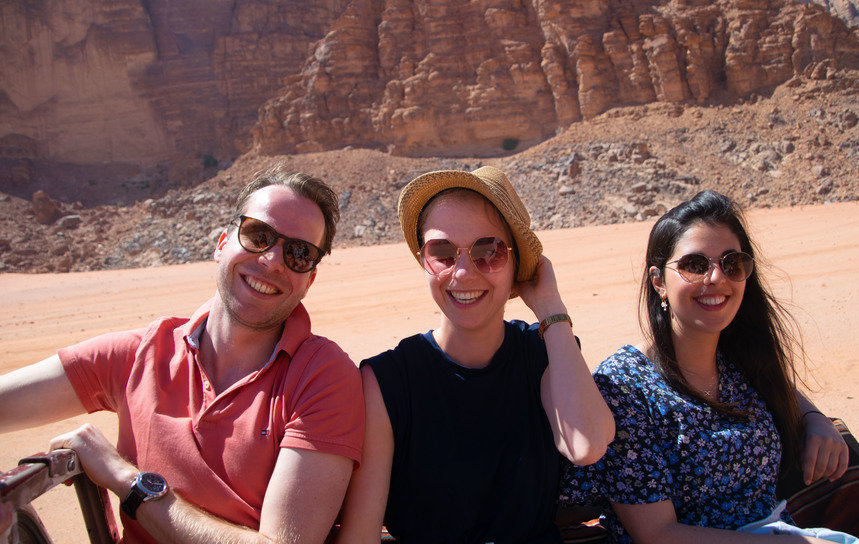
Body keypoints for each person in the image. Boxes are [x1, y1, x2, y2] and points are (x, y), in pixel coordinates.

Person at [0, 169, 365, 544]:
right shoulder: (140, 356)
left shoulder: (322, 377)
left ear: (310, 280)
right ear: (222, 243)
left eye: (299, 253)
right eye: (259, 235)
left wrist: (126, 480)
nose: (273, 261)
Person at [335, 166, 615, 543]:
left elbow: (586, 444)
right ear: (423, 260)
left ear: (517, 264)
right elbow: (360, 535)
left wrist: (550, 309)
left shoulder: (545, 353)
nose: (463, 273)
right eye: (443, 252)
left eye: (490, 251)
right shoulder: (388, 381)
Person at [559, 190, 856, 543]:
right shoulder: (624, 387)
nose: (716, 278)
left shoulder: (738, 361)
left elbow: (777, 385)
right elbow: (656, 534)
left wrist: (813, 418)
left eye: (732, 264)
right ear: (659, 282)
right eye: (695, 265)